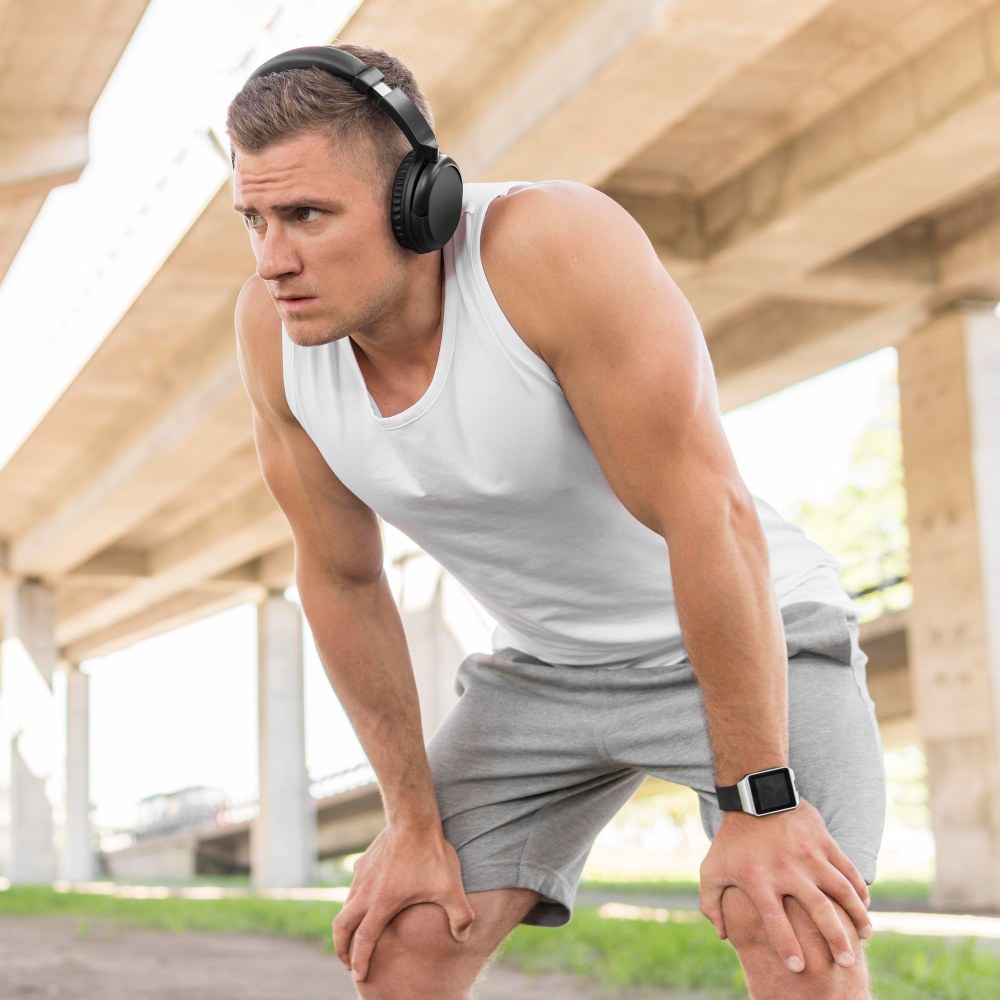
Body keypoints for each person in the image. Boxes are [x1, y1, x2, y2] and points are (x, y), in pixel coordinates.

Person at [226, 41, 885, 1000]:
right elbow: (341, 577)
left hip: (747, 637)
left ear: (423, 204)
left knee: (786, 924)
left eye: (307, 216)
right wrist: (411, 824)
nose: (273, 259)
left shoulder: (546, 250)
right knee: (405, 938)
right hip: (543, 673)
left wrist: (763, 801)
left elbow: (705, 512)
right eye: (253, 219)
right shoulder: (273, 336)